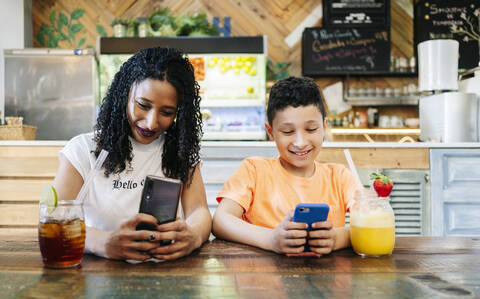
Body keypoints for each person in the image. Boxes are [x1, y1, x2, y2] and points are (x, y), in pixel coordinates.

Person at [53, 47, 212, 261]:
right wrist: (102, 242)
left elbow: (199, 212)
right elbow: (54, 219)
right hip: (93, 276)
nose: (151, 122)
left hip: (163, 277)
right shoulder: (83, 149)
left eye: (167, 113)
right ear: (125, 94)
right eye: (143, 105)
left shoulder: (180, 151)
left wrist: (193, 235)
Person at [213, 76, 359, 256]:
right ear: (271, 132)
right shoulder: (254, 170)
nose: (300, 142)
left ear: (324, 127)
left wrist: (338, 238)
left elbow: (372, 221)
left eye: (311, 129)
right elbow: (220, 220)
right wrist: (270, 239)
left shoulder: (339, 177)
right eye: (288, 132)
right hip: (261, 279)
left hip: (328, 280)